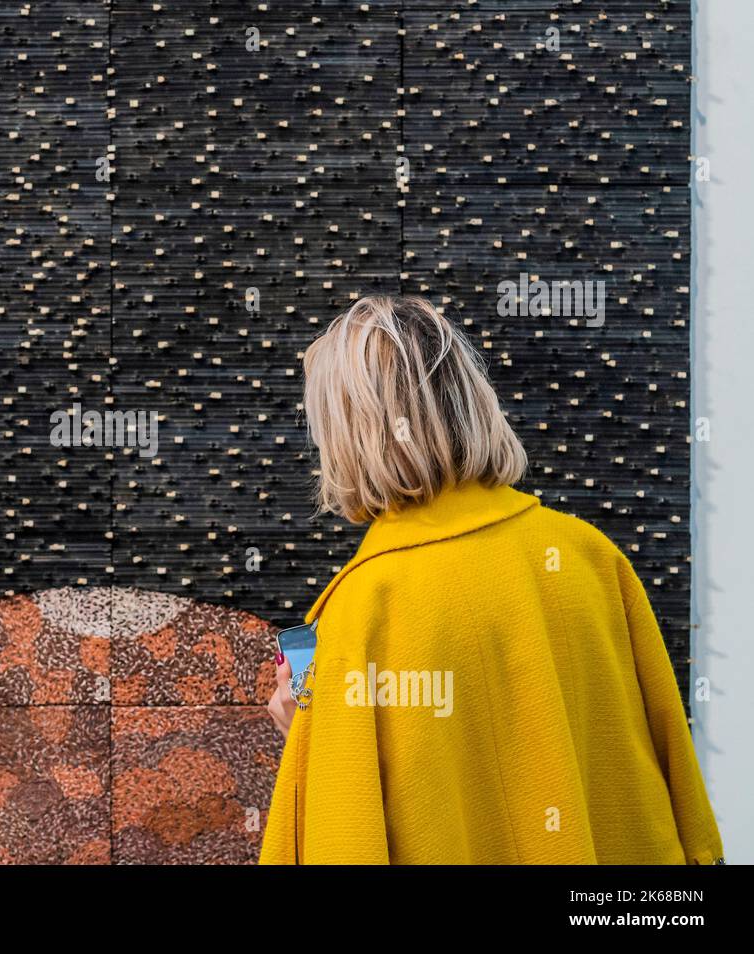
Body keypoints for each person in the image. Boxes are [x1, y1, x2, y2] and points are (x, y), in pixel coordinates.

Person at [261, 294, 723, 865]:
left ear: (346, 438)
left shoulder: (361, 614)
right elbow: (680, 793)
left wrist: (308, 733)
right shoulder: (588, 557)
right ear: (471, 401)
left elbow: (344, 832)